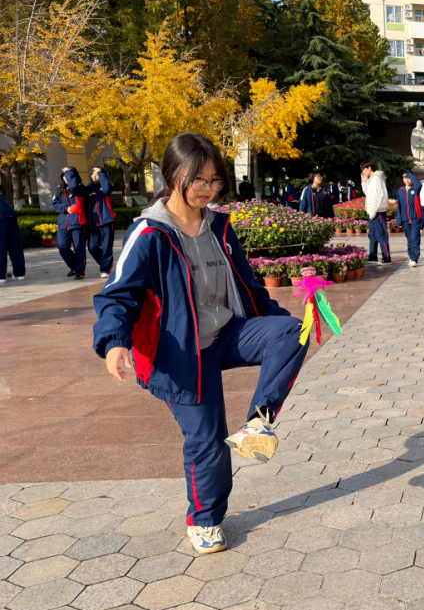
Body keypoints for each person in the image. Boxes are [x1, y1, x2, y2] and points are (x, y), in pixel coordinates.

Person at [92, 132, 308, 555]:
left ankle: (258, 422)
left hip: (225, 333)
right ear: (174, 175)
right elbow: (117, 295)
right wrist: (115, 341)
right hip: (179, 352)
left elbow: (248, 286)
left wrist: (277, 324)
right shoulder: (150, 233)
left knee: (292, 331)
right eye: (198, 180)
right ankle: (204, 520)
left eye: (215, 180)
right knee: (207, 440)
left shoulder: (219, 227)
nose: (208, 189)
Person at [53, 167, 89, 279]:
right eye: (64, 175)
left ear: (74, 176)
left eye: (68, 174)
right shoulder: (59, 189)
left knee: (79, 248)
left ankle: (79, 272)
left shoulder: (80, 188)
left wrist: (69, 173)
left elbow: (73, 187)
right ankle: (74, 266)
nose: (65, 177)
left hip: (77, 222)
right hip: (63, 223)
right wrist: (66, 208)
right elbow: (55, 204)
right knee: (61, 246)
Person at [87, 167, 117, 278]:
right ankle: (105, 264)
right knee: (92, 247)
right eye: (93, 174)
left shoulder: (108, 186)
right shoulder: (87, 189)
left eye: (98, 174)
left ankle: (105, 269)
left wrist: (101, 174)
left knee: (106, 247)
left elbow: (106, 189)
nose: (95, 176)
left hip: (107, 221)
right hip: (92, 223)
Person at [361, 161, 391, 266]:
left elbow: (379, 197)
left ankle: (386, 258)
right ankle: (372, 256)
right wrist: (364, 182)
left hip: (378, 211)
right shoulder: (372, 179)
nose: (363, 172)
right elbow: (368, 194)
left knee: (381, 234)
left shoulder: (376, 179)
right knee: (372, 234)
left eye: (364, 169)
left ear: (369, 168)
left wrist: (373, 211)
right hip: (373, 212)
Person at [396, 172, 424, 266]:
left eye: (408, 178)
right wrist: (399, 219)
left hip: (416, 218)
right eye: (405, 178)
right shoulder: (400, 191)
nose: (407, 180)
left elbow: (419, 183)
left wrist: (408, 174)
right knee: (409, 240)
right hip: (405, 220)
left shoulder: (416, 188)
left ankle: (414, 258)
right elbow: (399, 206)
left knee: (414, 238)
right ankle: (411, 256)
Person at [0, 193, 26, 283]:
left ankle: (1, 276)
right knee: (15, 245)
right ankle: (20, 273)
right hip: (11, 215)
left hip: (1, 217)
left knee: (1, 246)